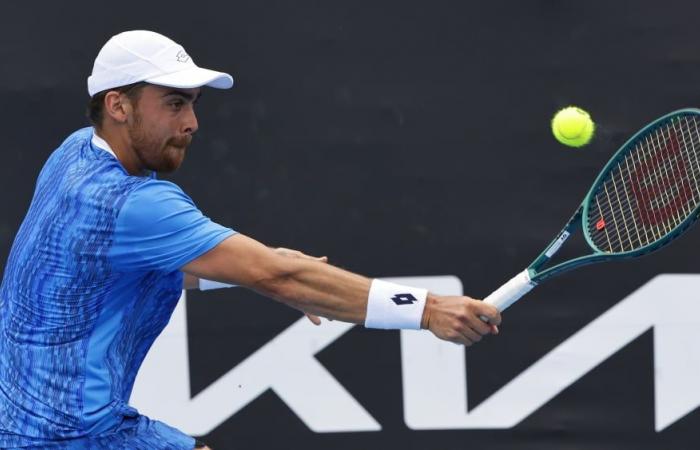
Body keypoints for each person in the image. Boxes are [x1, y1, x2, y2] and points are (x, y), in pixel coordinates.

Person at [0, 30, 502, 449]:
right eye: (173, 104)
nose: (191, 123)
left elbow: (109, 272)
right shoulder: (135, 203)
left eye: (192, 105)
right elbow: (278, 276)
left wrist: (249, 272)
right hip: (69, 437)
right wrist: (429, 309)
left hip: (24, 418)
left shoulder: (74, 154)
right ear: (118, 105)